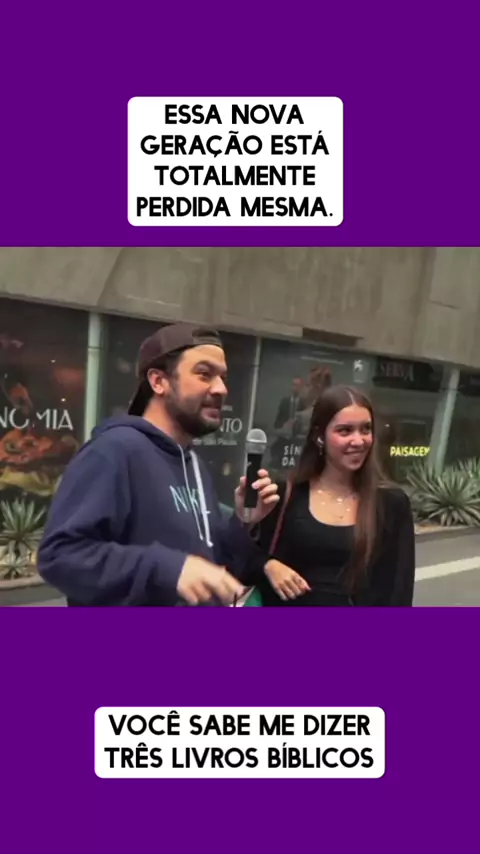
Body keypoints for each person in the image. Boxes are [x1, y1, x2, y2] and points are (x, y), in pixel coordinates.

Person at [37, 323, 279, 606]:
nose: (221, 389)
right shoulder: (114, 451)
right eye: (204, 374)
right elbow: (60, 556)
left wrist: (242, 521)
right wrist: (169, 568)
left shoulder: (194, 465)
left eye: (223, 377)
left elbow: (209, 561)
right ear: (158, 381)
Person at [250, 385, 415, 606]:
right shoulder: (286, 494)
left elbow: (399, 590)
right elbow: (241, 559)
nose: (358, 441)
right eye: (345, 431)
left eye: (366, 429)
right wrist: (267, 565)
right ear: (319, 436)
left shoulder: (391, 503)